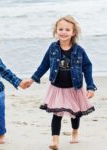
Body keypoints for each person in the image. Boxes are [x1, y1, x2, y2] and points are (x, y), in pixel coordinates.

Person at [27, 15, 97, 150]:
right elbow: (44, 65)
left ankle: (75, 132)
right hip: (57, 87)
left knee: (75, 113)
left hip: (74, 88)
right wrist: (33, 78)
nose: (63, 32)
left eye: (67, 30)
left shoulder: (79, 50)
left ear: (73, 32)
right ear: (56, 31)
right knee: (57, 114)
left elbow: (87, 67)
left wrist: (90, 87)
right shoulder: (53, 47)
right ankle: (55, 141)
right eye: (60, 29)